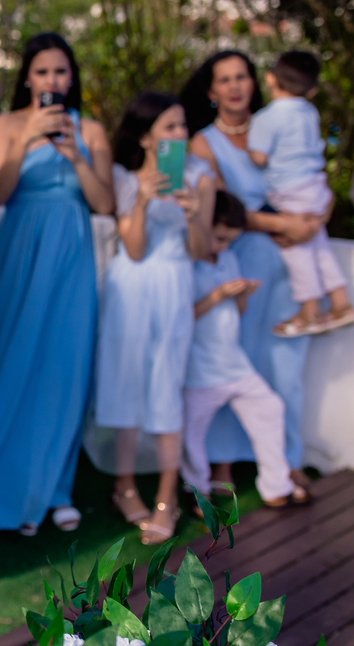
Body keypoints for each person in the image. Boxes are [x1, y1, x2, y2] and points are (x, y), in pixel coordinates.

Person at [0, 32, 114, 538]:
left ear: (72, 77)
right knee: (14, 361)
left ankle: (56, 489)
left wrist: (76, 157)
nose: (53, 80)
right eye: (43, 71)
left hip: (72, 257)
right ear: (27, 77)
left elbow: (106, 204)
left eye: (61, 71)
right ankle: (8, 487)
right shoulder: (4, 125)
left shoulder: (90, 129)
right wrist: (26, 140)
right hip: (20, 250)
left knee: (66, 367)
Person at [182, 50, 320, 492]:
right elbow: (228, 209)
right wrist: (286, 225)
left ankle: (286, 458)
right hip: (239, 260)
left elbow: (310, 175)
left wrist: (316, 216)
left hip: (291, 262)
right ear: (211, 90)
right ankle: (221, 463)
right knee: (233, 356)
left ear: (255, 82)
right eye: (224, 79)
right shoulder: (203, 142)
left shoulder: (275, 123)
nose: (235, 86)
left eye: (241, 76)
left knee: (285, 363)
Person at [95, 92, 211, 546]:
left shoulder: (200, 179)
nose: (180, 134)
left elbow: (201, 251)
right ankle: (123, 486)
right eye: (169, 127)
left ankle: (167, 496)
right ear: (145, 137)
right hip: (130, 289)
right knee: (125, 384)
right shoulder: (124, 179)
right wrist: (142, 201)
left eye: (182, 126)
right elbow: (134, 249)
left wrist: (194, 216)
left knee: (167, 387)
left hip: (175, 285)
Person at [181, 190, 311, 509]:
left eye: (230, 241)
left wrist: (241, 295)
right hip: (200, 368)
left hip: (234, 363)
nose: (223, 246)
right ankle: (197, 488)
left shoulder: (228, 258)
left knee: (270, 408)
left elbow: (237, 312)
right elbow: (182, 317)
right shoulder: (187, 264)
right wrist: (218, 294)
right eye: (220, 238)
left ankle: (276, 484)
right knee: (191, 431)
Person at [246, 50, 353, 336]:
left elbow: (258, 157)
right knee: (319, 245)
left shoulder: (267, 117)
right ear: (312, 90)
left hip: (290, 192)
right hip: (315, 188)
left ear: (270, 79)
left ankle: (309, 311)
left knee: (297, 249)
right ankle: (341, 303)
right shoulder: (309, 111)